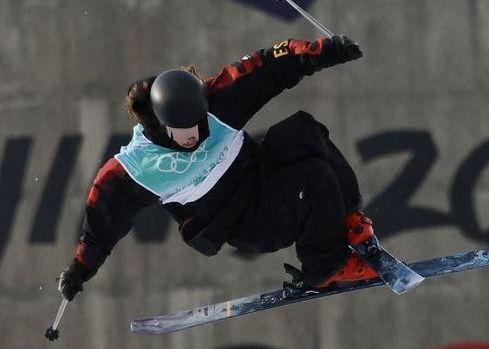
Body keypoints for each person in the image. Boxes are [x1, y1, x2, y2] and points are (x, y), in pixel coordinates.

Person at [57, 35, 378, 304]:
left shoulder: (219, 102)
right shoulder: (139, 167)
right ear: (163, 125)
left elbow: (269, 64)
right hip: (249, 223)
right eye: (183, 129)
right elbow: (102, 220)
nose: (194, 134)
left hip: (262, 178)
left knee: (303, 130)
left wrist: (322, 52)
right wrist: (79, 269)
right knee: (313, 178)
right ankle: (325, 269)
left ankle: (348, 223)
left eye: (198, 121)